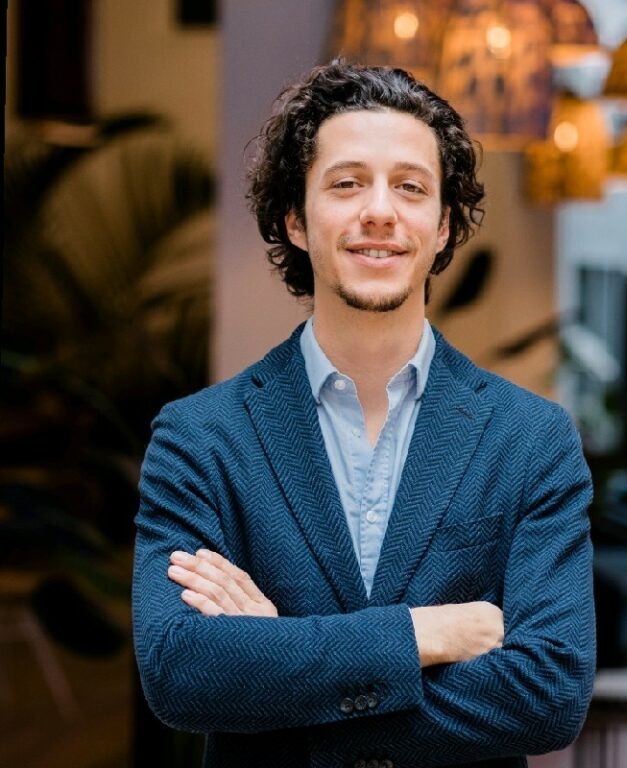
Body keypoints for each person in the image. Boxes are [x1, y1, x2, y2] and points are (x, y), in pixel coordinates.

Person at [133, 60, 595, 768]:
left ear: (443, 227)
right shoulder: (199, 437)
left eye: (410, 187)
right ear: (294, 218)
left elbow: (550, 692)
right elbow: (179, 671)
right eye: (346, 183)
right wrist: (424, 636)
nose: (379, 210)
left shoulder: (531, 440)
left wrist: (284, 661)